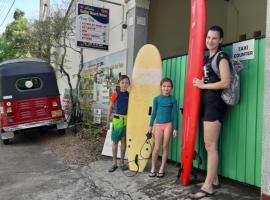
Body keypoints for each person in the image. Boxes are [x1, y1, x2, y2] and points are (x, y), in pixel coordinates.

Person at [189, 26, 231, 199]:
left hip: (215, 105)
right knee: (208, 145)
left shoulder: (221, 57)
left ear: (220, 40)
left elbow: (225, 82)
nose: (210, 41)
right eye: (208, 37)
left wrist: (203, 85)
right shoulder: (208, 58)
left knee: (210, 146)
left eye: (214, 38)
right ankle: (213, 180)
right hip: (206, 104)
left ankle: (208, 187)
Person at [148, 77, 178, 178]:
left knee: (165, 146)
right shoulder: (156, 99)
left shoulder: (173, 99)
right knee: (156, 147)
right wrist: (150, 126)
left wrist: (175, 128)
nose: (166, 88)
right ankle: (153, 167)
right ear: (161, 87)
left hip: (168, 125)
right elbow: (154, 113)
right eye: (164, 86)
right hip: (158, 125)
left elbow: (175, 114)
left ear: (171, 88)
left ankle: (162, 168)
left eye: (168, 86)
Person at [106, 75, 130, 172]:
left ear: (129, 84)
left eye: (127, 82)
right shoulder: (115, 94)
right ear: (119, 84)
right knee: (115, 142)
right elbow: (110, 107)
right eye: (123, 82)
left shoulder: (129, 95)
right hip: (117, 120)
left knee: (123, 142)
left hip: (126, 120)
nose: (125, 84)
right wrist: (107, 121)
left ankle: (122, 162)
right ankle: (114, 163)